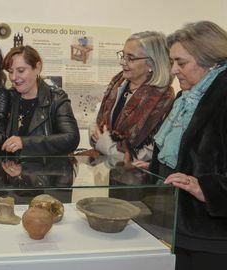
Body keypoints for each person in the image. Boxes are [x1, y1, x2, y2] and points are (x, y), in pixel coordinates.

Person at [149, 21, 227, 270]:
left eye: (181, 63)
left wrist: (209, 189)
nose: (173, 70)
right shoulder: (187, 97)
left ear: (210, 59)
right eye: (172, 62)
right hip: (179, 225)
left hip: (213, 237)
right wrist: (156, 165)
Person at [92, 31, 175, 162]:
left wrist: (107, 147)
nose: (122, 62)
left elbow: (151, 152)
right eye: (123, 55)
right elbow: (98, 127)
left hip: (134, 175)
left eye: (130, 58)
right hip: (103, 169)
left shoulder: (163, 99)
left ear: (152, 63)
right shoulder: (117, 82)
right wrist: (96, 135)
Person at [1, 45, 79, 156]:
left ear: (37, 68)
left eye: (21, 70)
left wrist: (25, 142)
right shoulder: (8, 98)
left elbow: (71, 138)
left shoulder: (56, 99)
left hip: (46, 171)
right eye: (10, 71)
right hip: (13, 170)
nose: (13, 77)